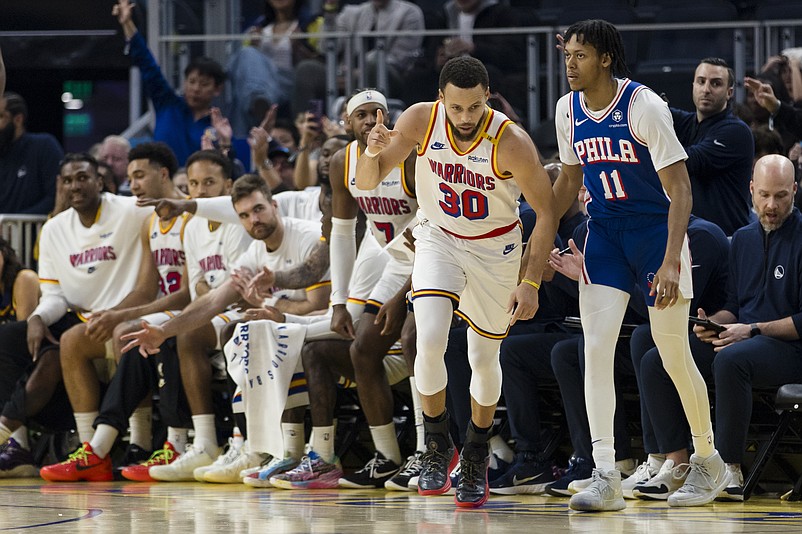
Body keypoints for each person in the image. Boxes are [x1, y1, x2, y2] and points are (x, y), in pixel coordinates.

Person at [544, 19, 730, 511]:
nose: (570, 64)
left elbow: (681, 189)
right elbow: (567, 183)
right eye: (567, 56)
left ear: (605, 58)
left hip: (655, 235)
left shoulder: (644, 106)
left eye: (579, 56)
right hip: (604, 233)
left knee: (673, 352)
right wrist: (537, 241)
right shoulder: (568, 110)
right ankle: (605, 472)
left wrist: (671, 261)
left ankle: (709, 461)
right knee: (595, 348)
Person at [355, 56, 557, 507]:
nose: (465, 118)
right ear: (441, 99)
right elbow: (368, 182)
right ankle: (436, 444)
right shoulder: (419, 120)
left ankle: (476, 451)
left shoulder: (512, 142)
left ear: (487, 98)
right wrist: (372, 150)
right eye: (457, 108)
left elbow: (546, 211)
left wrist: (531, 282)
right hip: (438, 237)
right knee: (427, 338)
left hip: (495, 248)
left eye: (474, 108)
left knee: (482, 356)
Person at [118, 174, 330, 479]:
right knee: (244, 333)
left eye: (258, 210)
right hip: (288, 331)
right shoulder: (255, 253)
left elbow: (316, 304)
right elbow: (213, 301)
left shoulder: (308, 237)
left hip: (326, 326)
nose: (253, 220)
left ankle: (262, 448)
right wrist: (165, 330)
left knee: (254, 332)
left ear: (274, 205)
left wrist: (269, 307)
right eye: (244, 215)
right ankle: (249, 446)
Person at [639, 155, 802, 502]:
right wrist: (713, 323)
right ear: (751, 191)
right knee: (659, 358)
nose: (771, 205)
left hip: (791, 348)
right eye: (764, 195)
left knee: (732, 360)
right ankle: (677, 462)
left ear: (795, 192)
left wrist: (752, 329)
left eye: (781, 196)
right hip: (746, 337)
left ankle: (728, 468)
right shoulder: (741, 239)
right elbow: (734, 306)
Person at [0, 154, 152, 481]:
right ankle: (23, 444)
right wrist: (39, 317)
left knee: (66, 348)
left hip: (127, 313)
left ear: (100, 181)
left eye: (82, 178)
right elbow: (54, 295)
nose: (75, 186)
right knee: (11, 338)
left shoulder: (130, 210)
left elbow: (168, 211)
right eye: (67, 180)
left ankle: (138, 442)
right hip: (79, 317)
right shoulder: (54, 228)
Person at [326, 89, 419, 490]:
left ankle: (427, 449)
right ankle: (386, 456)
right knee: (362, 347)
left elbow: (436, 217)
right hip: (389, 257)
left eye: (378, 112)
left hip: (425, 255)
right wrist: (339, 300)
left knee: (415, 338)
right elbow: (343, 234)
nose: (370, 120)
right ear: (349, 123)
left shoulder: (409, 154)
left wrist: (404, 297)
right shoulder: (341, 162)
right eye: (361, 114)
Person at [112, 0, 226, 165]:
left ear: (217, 89)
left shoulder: (219, 125)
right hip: (161, 184)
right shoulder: (167, 103)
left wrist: (225, 141)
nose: (195, 88)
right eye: (191, 81)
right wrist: (127, 23)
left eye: (204, 84)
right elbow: (147, 64)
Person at [671, 58, 754, 236]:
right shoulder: (687, 123)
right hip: (692, 238)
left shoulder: (736, 131)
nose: (706, 89)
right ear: (693, 85)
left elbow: (690, 161)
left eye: (716, 83)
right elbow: (652, 111)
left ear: (729, 92)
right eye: (701, 82)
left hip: (728, 241)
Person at [0, 91, 63, 214]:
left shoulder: (44, 146)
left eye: (1, 116)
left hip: (34, 231)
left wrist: (13, 224)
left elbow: (55, 196)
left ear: (18, 119)